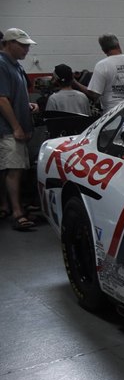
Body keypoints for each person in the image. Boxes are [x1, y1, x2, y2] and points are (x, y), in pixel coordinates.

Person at [0, 28, 39, 231]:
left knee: (12, 169)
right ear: (8, 43)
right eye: (22, 45)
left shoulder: (15, 66)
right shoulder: (2, 64)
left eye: (27, 45)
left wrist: (28, 106)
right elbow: (2, 99)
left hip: (16, 127)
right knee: (14, 170)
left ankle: (6, 206)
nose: (26, 49)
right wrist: (16, 127)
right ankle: (17, 213)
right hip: (8, 129)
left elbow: (15, 96)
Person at [74, 33, 124, 111]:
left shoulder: (102, 65)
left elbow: (94, 95)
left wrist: (74, 83)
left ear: (103, 50)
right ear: (118, 44)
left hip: (113, 113)